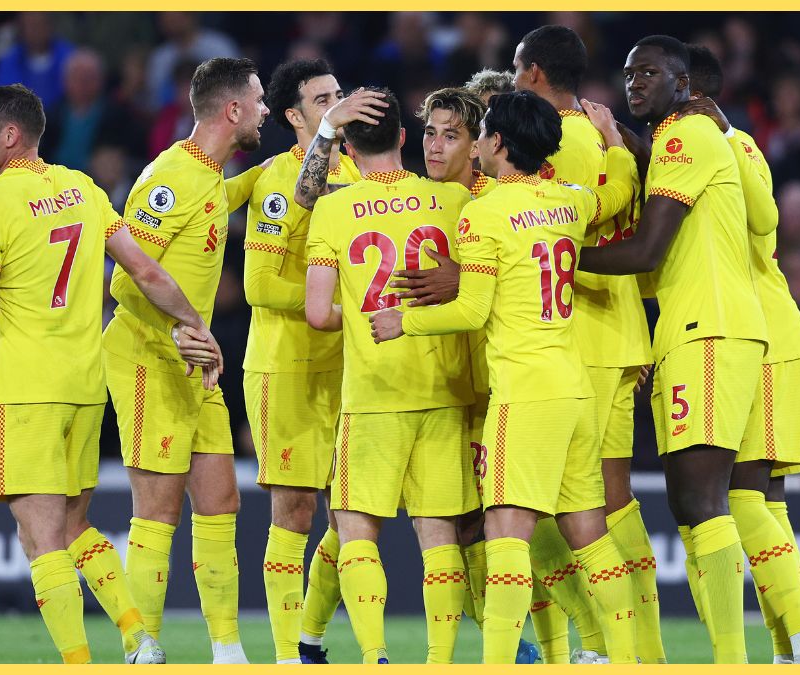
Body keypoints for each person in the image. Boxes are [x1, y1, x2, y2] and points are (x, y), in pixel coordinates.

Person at [369, 90, 639, 664]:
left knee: (506, 531)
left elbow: (470, 310)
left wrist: (404, 321)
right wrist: (615, 144)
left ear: (498, 143)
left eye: (484, 130)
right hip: (573, 387)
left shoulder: (485, 213)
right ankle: (626, 657)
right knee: (589, 530)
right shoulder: (567, 203)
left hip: (524, 389)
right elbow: (617, 194)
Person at [0, 83, 219, 665]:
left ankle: (80, 663)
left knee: (39, 536)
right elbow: (146, 273)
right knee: (75, 524)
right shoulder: (82, 188)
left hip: (26, 386)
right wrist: (195, 324)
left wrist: (1, 331)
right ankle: (136, 635)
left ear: (10, 135)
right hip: (84, 384)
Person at [571, 35, 767, 664]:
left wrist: (553, 257)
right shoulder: (690, 141)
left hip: (705, 329)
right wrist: (626, 141)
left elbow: (645, 252)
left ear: (685, 85)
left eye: (650, 72)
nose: (634, 82)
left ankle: (731, 661)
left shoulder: (684, 136)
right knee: (703, 500)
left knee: (698, 499)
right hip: (703, 329)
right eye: (629, 72)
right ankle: (734, 655)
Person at [101, 57, 267, 665]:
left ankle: (226, 649)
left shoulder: (206, 176)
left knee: (222, 499)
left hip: (195, 358)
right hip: (148, 352)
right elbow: (129, 272)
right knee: (158, 509)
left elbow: (216, 200)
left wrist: (269, 172)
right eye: (258, 100)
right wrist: (188, 325)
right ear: (233, 111)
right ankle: (140, 647)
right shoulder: (170, 173)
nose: (266, 110)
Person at [303, 87, 477, 664]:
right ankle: (438, 660)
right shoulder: (452, 201)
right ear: (406, 137)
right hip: (444, 387)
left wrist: (355, 316)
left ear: (349, 146)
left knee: (355, 530)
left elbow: (316, 313)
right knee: (439, 538)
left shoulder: (331, 208)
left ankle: (376, 655)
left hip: (373, 391)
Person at [514, 25, 662, 665]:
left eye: (517, 70)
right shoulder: (599, 135)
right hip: (614, 330)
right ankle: (637, 651)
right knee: (607, 501)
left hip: (586, 336)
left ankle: (613, 647)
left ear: (536, 74)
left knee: (564, 506)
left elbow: (575, 223)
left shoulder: (567, 139)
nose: (514, 81)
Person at [685, 43, 800, 665]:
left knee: (745, 499)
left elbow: (765, 216)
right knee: (765, 502)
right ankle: (788, 651)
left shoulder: (731, 143)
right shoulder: (712, 146)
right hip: (761, 331)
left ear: (693, 93)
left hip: (762, 334)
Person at [240, 57, 362, 665]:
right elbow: (259, 287)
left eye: (338, 94)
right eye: (322, 100)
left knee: (353, 513)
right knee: (294, 510)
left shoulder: (364, 175)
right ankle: (289, 654)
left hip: (351, 369)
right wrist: (340, 304)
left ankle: (310, 637)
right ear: (293, 116)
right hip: (285, 365)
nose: (336, 107)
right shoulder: (275, 182)